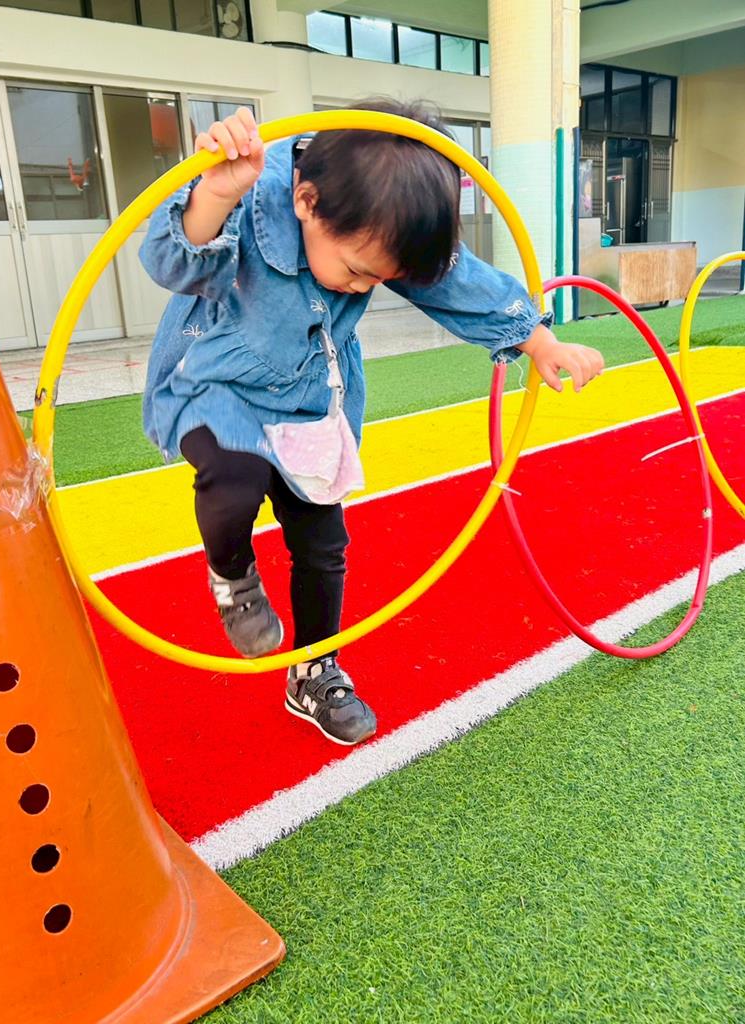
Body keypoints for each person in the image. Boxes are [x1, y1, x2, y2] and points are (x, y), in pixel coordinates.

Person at [139, 98, 604, 748]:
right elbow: (171, 263)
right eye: (358, 272)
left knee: (321, 542)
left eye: (380, 280)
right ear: (305, 201)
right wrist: (214, 194)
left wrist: (539, 341)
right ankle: (233, 576)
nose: (362, 288)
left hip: (309, 396)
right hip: (216, 384)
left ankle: (313, 670)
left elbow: (456, 283)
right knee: (234, 476)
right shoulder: (251, 195)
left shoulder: (369, 226)